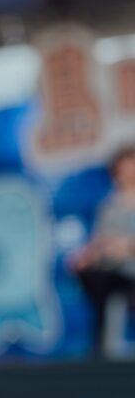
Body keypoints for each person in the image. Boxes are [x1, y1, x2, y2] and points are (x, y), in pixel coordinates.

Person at [75, 146, 135, 355]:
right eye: (123, 169)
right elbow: (100, 240)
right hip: (114, 270)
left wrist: (127, 247)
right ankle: (106, 348)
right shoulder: (109, 206)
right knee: (101, 282)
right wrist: (87, 256)